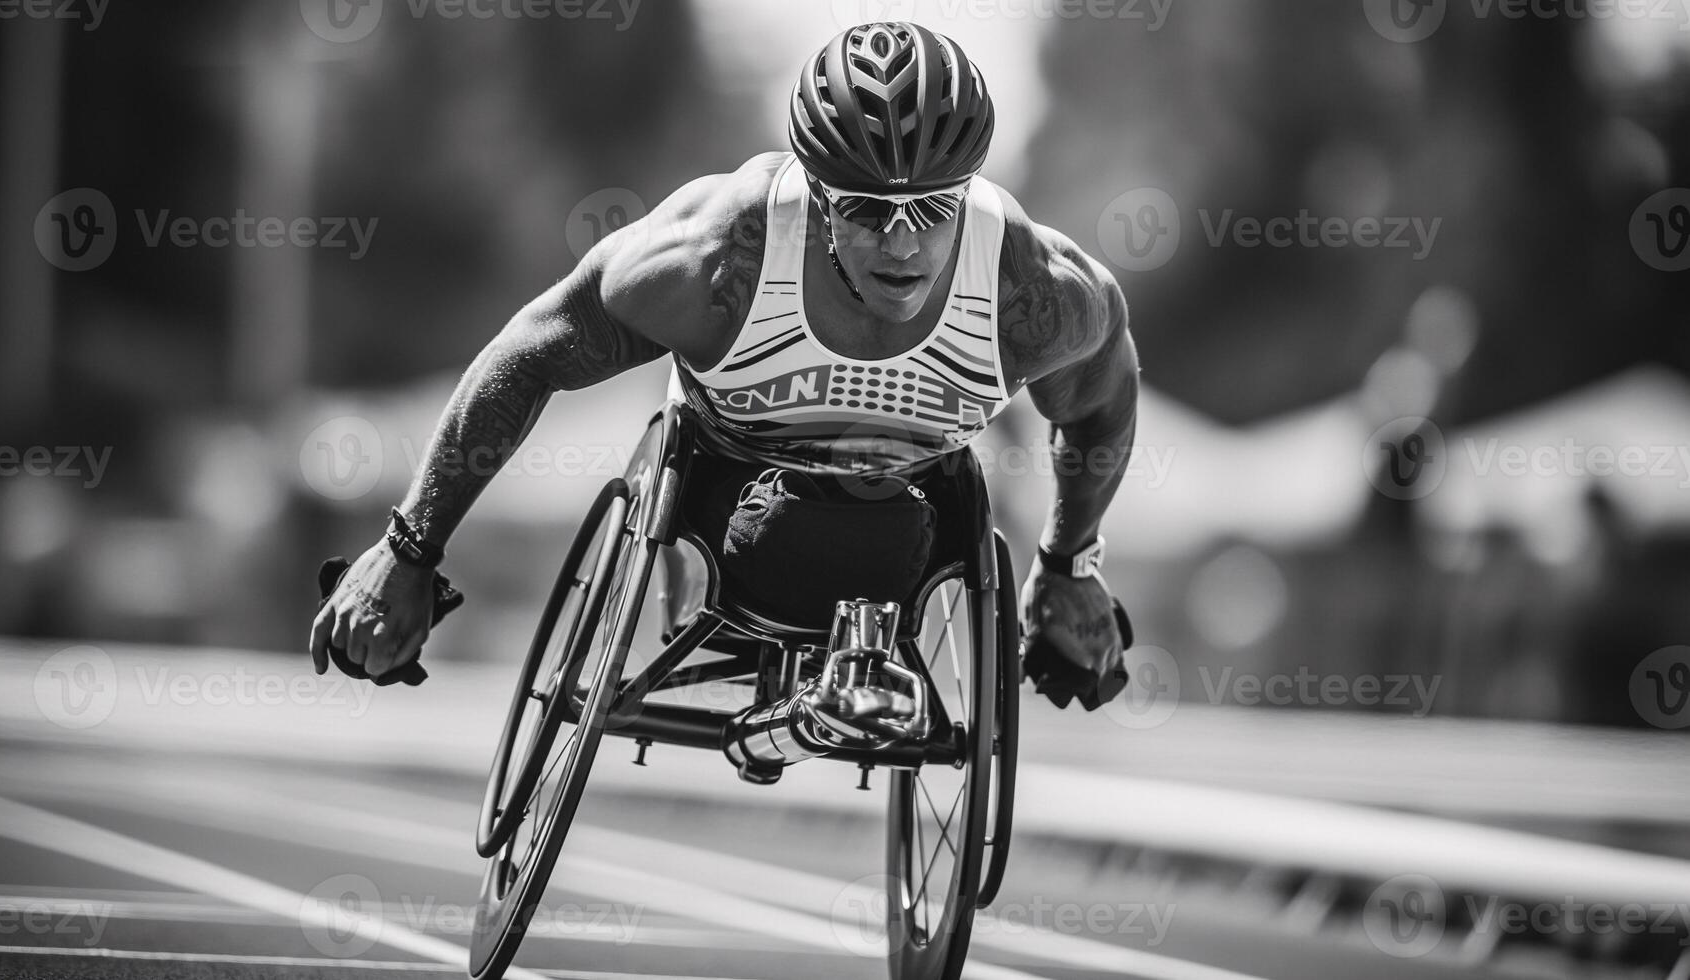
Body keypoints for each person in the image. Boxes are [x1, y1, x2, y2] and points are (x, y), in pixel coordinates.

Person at [309, 22, 1140, 710]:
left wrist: (1069, 564)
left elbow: (1102, 397)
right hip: (724, 488)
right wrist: (408, 548)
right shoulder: (714, 262)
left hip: (916, 506)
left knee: (910, 521)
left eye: (932, 208)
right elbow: (526, 356)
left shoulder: (1031, 292)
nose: (903, 241)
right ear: (814, 193)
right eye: (864, 210)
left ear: (968, 190)